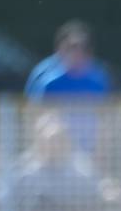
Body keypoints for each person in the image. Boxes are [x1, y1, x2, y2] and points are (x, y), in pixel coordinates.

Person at [25, 21, 113, 154]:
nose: (77, 52)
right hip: (54, 152)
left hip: (88, 151)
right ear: (60, 49)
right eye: (72, 47)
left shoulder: (98, 81)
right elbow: (33, 116)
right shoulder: (47, 81)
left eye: (83, 47)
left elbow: (105, 120)